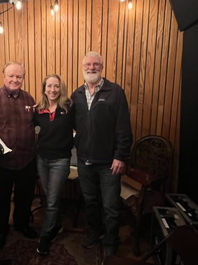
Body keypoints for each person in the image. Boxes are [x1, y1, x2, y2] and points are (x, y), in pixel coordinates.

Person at [70, 52, 133, 257]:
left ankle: (111, 240)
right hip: (84, 160)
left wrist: (120, 156)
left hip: (109, 163)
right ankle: (95, 232)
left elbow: (123, 128)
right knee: (90, 201)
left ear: (102, 67)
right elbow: (71, 124)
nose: (91, 67)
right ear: (82, 67)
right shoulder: (76, 95)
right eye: (87, 64)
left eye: (96, 64)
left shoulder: (115, 92)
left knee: (111, 205)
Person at [0, 61, 38, 250]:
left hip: (27, 160)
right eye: (11, 76)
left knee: (25, 197)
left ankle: (22, 225)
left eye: (19, 76)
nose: (15, 79)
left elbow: (35, 125)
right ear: (4, 77)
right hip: (3, 162)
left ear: (23, 78)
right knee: (3, 199)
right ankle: (1, 231)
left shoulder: (29, 99)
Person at [33, 74, 74, 255]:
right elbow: (32, 129)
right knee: (50, 196)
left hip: (60, 160)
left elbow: (81, 128)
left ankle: (45, 236)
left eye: (56, 86)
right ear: (44, 89)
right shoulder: (38, 109)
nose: (52, 90)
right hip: (42, 159)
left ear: (61, 88)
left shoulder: (69, 108)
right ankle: (56, 225)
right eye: (49, 86)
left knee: (51, 202)